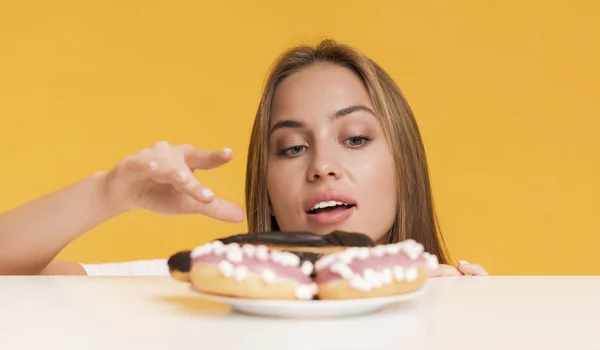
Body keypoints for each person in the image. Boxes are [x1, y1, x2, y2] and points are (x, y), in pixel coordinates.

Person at [0, 39, 487, 277]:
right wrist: (107, 192)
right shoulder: (195, 290)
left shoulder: (458, 303)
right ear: (266, 183)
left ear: (406, 165)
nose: (322, 165)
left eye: (355, 139)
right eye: (293, 148)